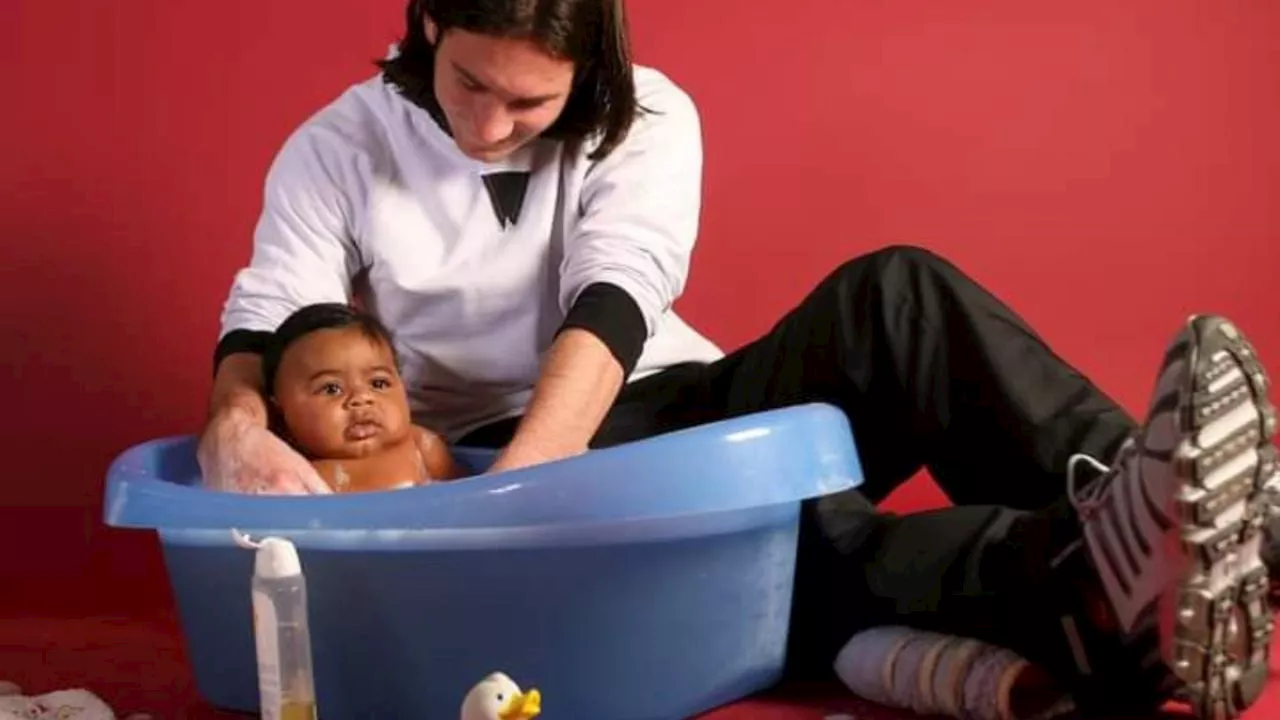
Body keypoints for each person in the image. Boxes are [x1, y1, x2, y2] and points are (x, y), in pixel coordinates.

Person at [196, 0, 1278, 717]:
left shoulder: (652, 112)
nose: (489, 124)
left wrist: (539, 479)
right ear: (428, 21)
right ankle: (1097, 582)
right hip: (482, 462)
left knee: (894, 292)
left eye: (529, 101)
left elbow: (614, 297)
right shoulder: (338, 145)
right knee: (790, 543)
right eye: (470, 82)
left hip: (645, 402)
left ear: (590, 67)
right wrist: (239, 426)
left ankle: (1162, 503)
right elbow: (267, 313)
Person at [261, 302, 464, 493]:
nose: (361, 398)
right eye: (331, 389)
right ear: (279, 411)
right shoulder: (285, 470)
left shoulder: (421, 447)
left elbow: (464, 501)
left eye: (378, 384)